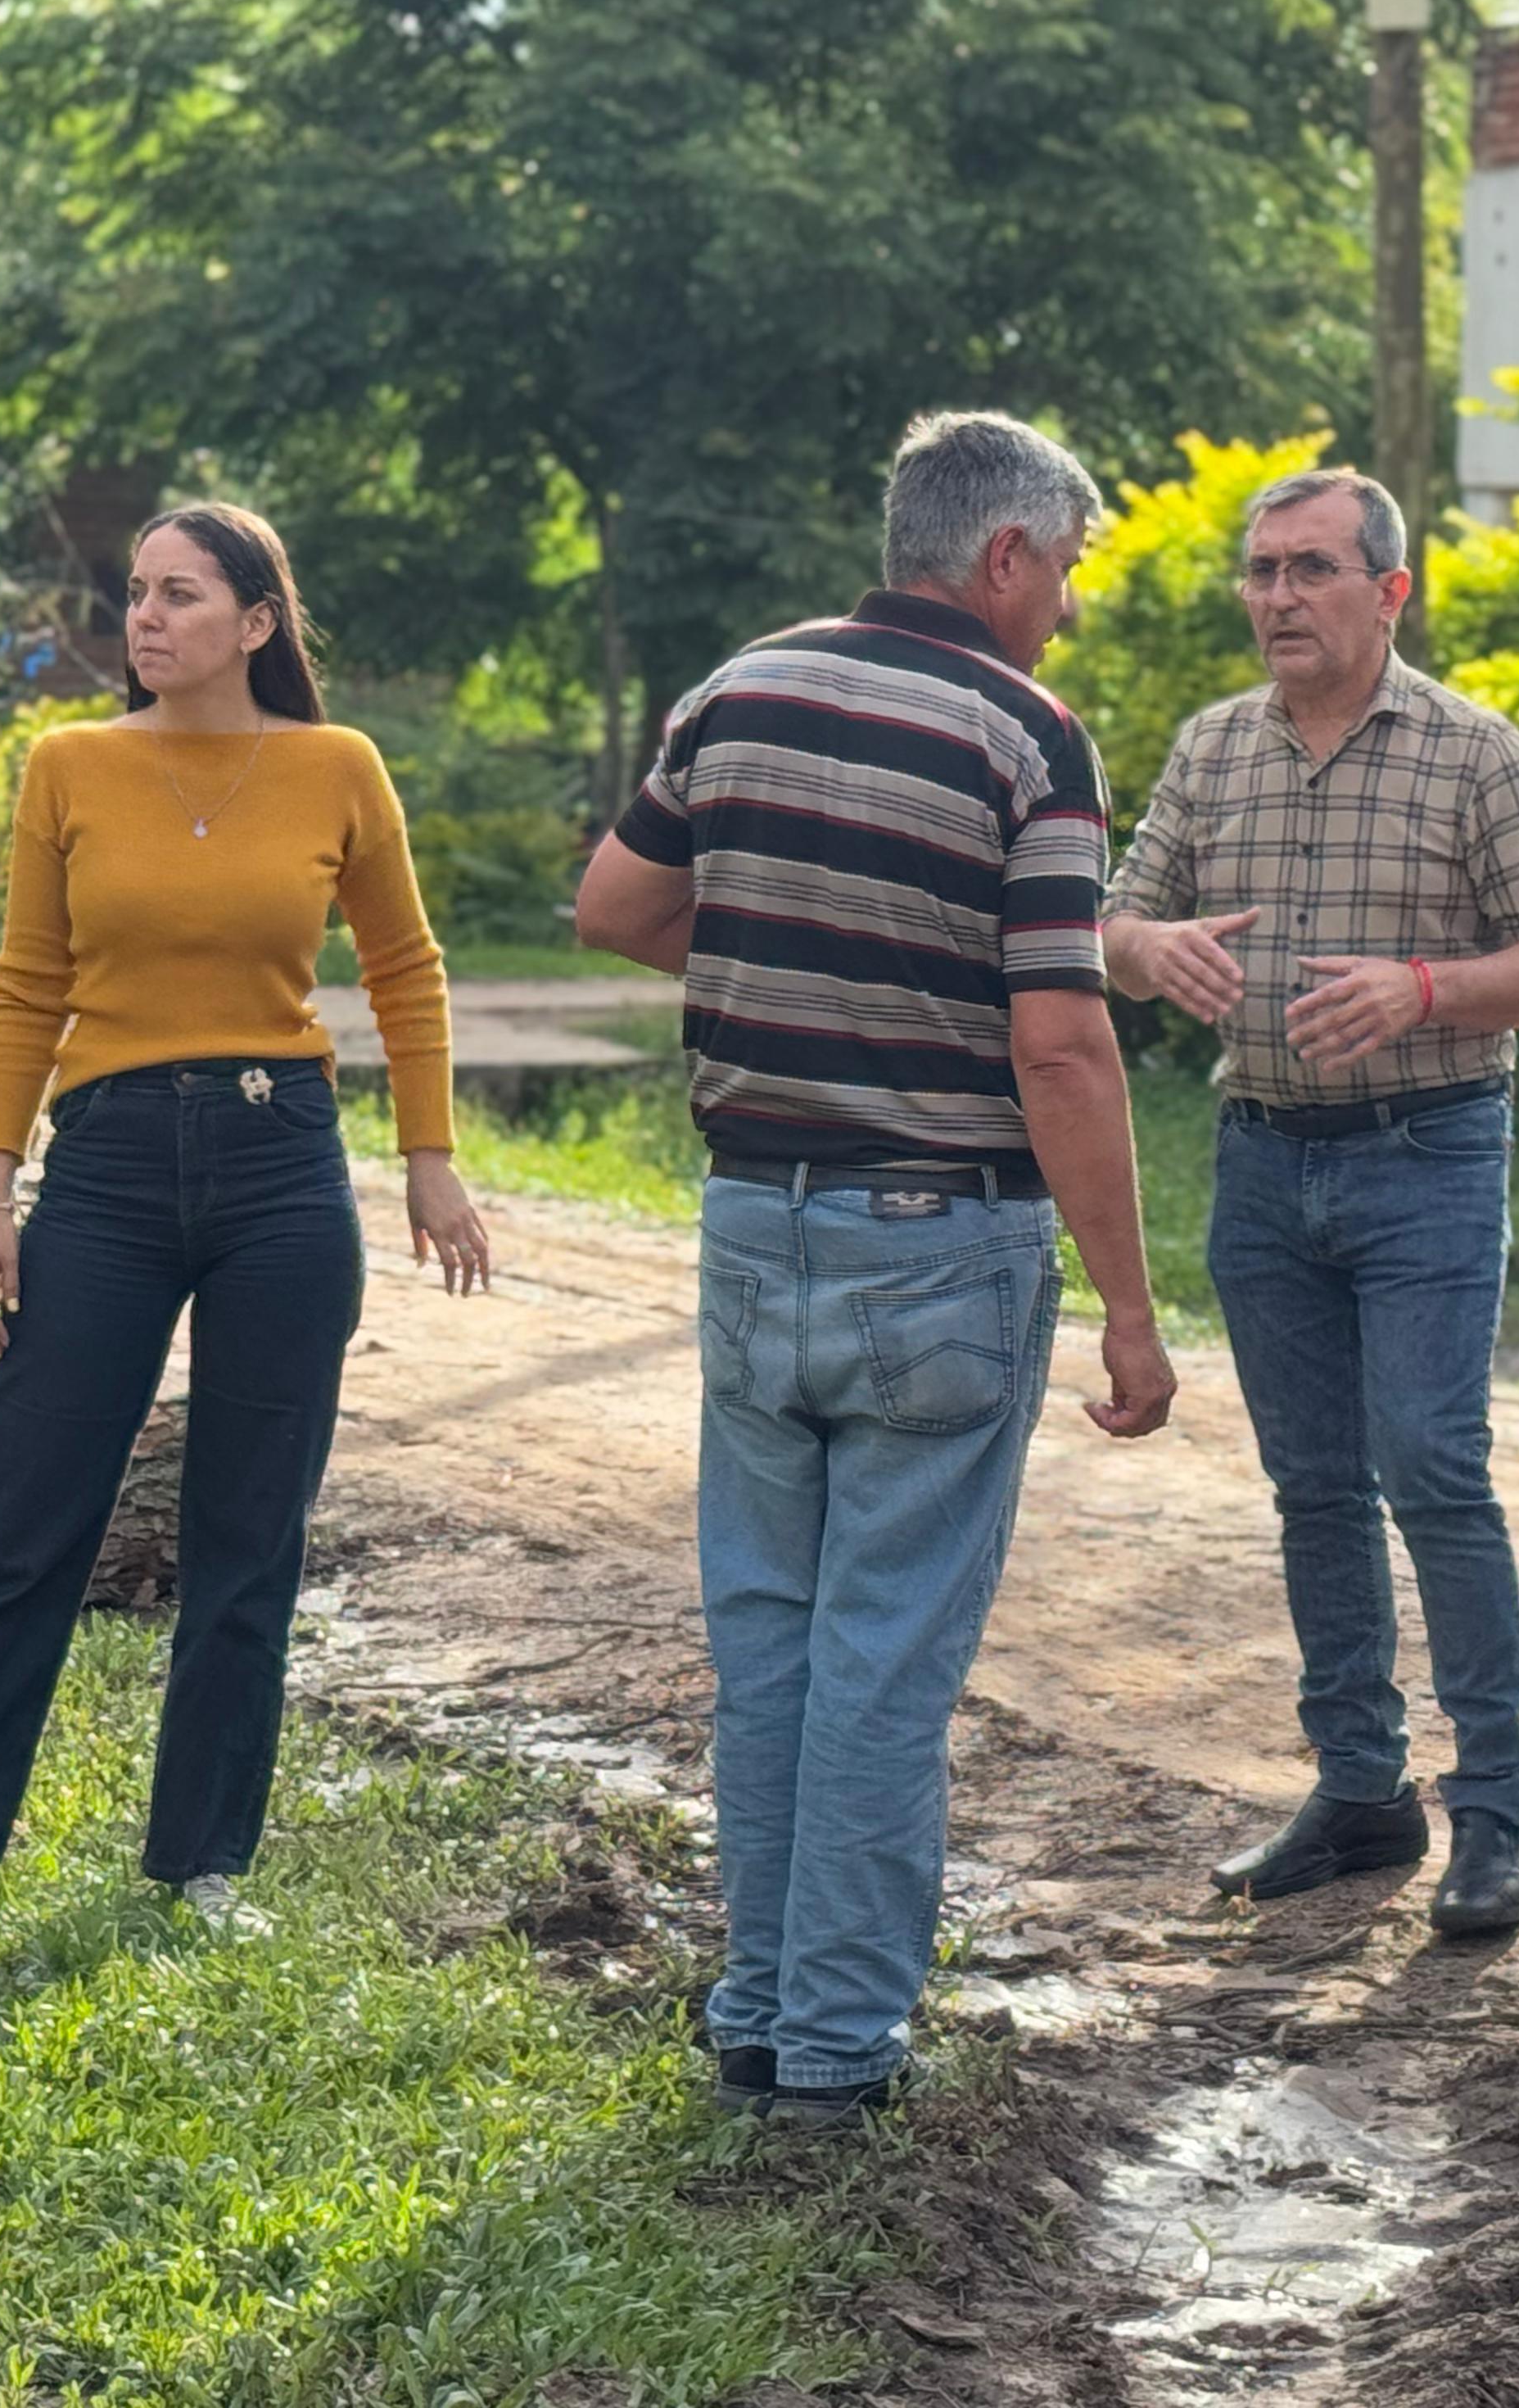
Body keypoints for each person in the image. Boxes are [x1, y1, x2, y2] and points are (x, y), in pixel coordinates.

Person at [573, 411, 1175, 2133]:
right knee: (887, 1659)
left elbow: (614, 908)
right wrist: (1129, 1306)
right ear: (1000, 557)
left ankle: (757, 2010)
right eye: (1061, 568)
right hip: (941, 1244)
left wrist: (776, 939)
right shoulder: (1025, 736)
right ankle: (837, 2050)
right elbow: (1061, 1043)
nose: (1063, 603)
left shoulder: (739, 688)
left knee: (769, 1644)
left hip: (758, 1223)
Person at [0, 504, 491, 1940]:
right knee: (16, 1518)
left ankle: (201, 1869)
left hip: (282, 1170)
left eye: (180, 596)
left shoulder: (335, 768)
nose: (146, 617)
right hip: (108, 1169)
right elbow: (25, 986)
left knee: (250, 1537)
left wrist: (429, 1157)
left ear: (255, 623)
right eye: (136, 594)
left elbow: (408, 969)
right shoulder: (67, 765)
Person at [1102, 467, 1519, 1938]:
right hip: (1260, 1158)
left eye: (1309, 570)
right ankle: (1363, 1791)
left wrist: (1427, 988)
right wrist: (1152, 952)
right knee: (1312, 1487)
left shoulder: (1474, 752)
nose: (1276, 599)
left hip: (1430, 1151)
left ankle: (1493, 1818)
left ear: (1389, 593)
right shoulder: (1209, 748)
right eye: (1260, 573)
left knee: (1434, 1470)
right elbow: (1114, 919)